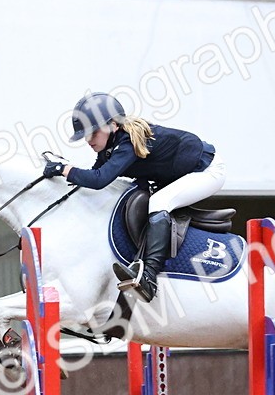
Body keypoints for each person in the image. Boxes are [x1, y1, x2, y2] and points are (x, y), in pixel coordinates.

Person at [44, 92, 226, 303]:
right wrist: (63, 176)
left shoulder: (128, 142)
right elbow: (94, 179)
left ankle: (149, 279)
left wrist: (63, 168)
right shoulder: (110, 146)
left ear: (113, 124)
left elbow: (99, 179)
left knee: (159, 203)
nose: (87, 140)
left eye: (93, 133)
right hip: (180, 172)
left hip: (207, 171)